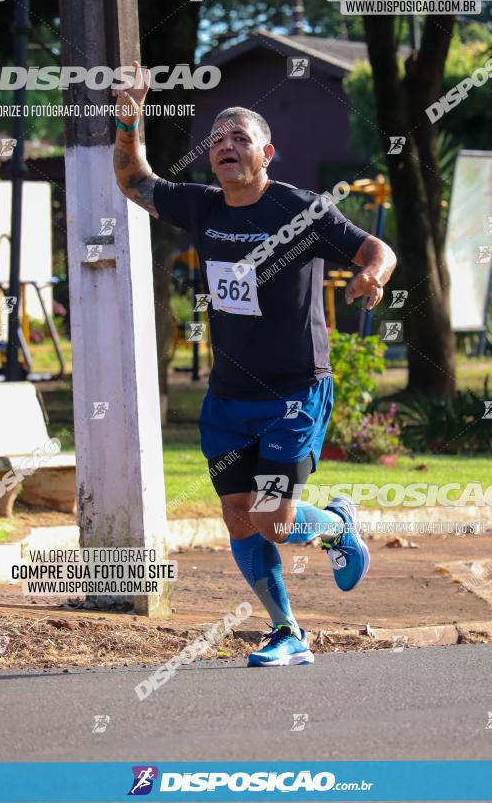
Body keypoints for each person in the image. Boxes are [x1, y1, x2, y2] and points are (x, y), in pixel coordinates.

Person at [113, 63, 397, 667]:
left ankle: (338, 528)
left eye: (239, 137)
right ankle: (286, 630)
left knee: (272, 516)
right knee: (240, 519)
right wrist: (130, 120)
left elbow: (376, 247)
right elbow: (135, 180)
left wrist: (372, 274)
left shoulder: (302, 210)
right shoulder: (203, 207)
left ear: (267, 152)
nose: (225, 146)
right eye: (217, 139)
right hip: (228, 401)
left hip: (293, 395)